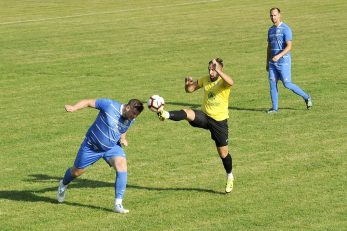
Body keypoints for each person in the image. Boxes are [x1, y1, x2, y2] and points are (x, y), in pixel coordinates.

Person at [158, 58, 235, 193]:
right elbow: (190, 90)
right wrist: (187, 85)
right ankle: (165, 114)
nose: (211, 72)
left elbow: (231, 82)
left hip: (219, 122)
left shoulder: (223, 82)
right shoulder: (205, 79)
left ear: (220, 70)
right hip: (205, 117)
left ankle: (230, 176)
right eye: (210, 69)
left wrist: (218, 71)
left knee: (223, 154)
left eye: (214, 69)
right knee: (187, 113)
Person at [57, 98, 144, 213]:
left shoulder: (130, 118)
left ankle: (118, 204)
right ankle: (63, 184)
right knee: (76, 172)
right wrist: (74, 107)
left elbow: (123, 129)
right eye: (133, 114)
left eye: (136, 116)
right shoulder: (109, 105)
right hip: (91, 147)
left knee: (122, 166)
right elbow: (88, 102)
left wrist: (123, 138)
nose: (134, 117)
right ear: (127, 107)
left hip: (112, 147)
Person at [266, 7, 312, 113]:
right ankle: (275, 108)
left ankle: (307, 97)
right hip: (272, 63)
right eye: (271, 15)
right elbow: (269, 47)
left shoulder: (286, 29)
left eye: (275, 15)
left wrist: (279, 56)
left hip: (283, 61)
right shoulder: (270, 30)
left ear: (279, 15)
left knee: (287, 84)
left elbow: (289, 47)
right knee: (272, 83)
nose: (273, 17)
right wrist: (267, 62)